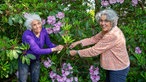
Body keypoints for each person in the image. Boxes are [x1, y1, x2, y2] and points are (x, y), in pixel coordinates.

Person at [69, 9, 130, 82]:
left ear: (112, 21)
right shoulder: (108, 30)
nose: (103, 23)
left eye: (106, 21)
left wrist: (76, 52)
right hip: (112, 65)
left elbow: (94, 51)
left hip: (118, 68)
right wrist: (78, 42)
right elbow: (94, 39)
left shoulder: (112, 35)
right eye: (101, 20)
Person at [18, 13, 64, 82]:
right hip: (25, 59)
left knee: (35, 79)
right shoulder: (27, 34)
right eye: (34, 25)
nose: (37, 26)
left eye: (38, 23)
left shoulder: (43, 31)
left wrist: (57, 47)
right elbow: (37, 50)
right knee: (23, 80)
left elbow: (49, 44)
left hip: (35, 59)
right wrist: (54, 49)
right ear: (30, 27)